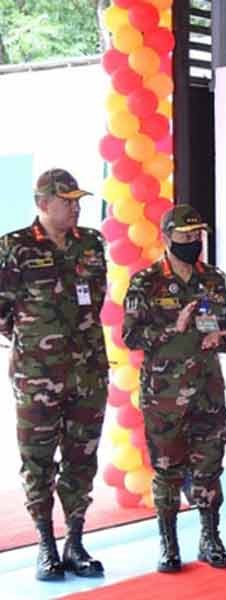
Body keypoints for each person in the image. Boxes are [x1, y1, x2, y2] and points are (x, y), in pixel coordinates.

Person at [0, 168, 107, 581]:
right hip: (38, 378)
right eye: (67, 202)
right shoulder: (15, 248)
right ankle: (45, 545)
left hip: (88, 373)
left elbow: (95, 301)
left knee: (82, 459)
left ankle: (75, 542)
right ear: (43, 204)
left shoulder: (91, 243)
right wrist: (34, 341)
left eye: (78, 201)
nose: (75, 208)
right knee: (38, 461)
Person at [122, 205, 226, 573]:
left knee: (209, 468)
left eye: (196, 235)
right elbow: (130, 336)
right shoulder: (146, 282)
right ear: (167, 237)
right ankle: (169, 544)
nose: (192, 241)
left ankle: (210, 538)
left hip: (208, 391)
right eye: (185, 236)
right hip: (165, 396)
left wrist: (221, 338)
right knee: (168, 470)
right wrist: (175, 326)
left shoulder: (213, 279)